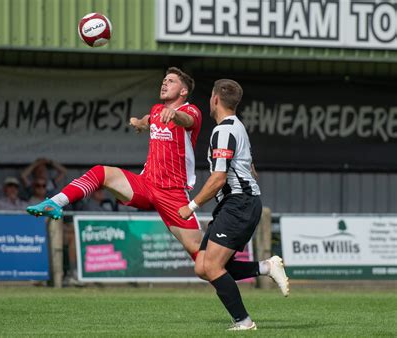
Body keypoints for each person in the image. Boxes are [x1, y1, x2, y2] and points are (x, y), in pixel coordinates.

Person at [27, 67, 205, 259]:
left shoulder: (190, 110)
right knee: (101, 172)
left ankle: (229, 273)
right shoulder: (157, 110)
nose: (164, 83)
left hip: (172, 192)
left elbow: (188, 120)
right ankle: (55, 203)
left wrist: (175, 115)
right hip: (146, 184)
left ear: (183, 91)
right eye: (164, 80)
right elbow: (149, 120)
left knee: (202, 260)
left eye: (171, 81)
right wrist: (138, 122)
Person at [178, 79, 290, 331]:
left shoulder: (225, 131)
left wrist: (191, 206)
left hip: (239, 204)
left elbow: (218, 179)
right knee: (202, 267)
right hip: (236, 203)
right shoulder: (235, 127)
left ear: (215, 99)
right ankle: (266, 266)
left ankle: (244, 321)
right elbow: (246, 165)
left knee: (212, 266)